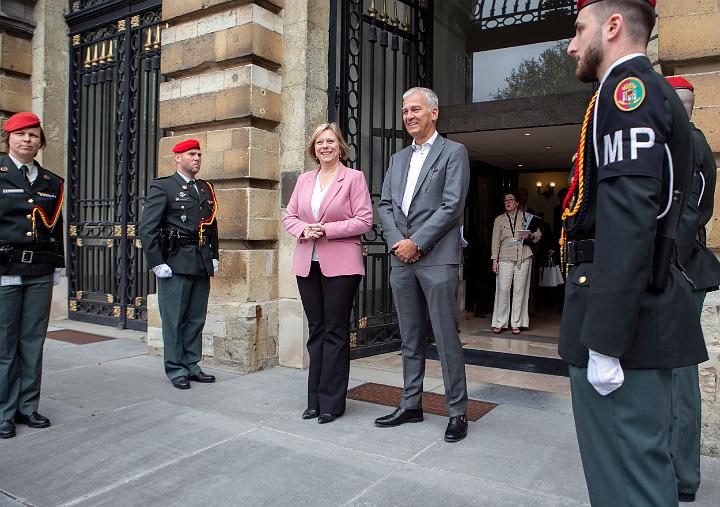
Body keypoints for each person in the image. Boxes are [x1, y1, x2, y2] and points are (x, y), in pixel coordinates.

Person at [559, 1, 708, 504]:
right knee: (639, 475)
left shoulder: (627, 95)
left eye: (580, 30)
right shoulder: (643, 95)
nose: (572, 44)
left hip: (624, 324)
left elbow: (628, 224)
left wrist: (604, 342)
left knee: (627, 484)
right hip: (638, 314)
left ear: (614, 26)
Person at [375, 87, 470, 442]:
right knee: (410, 337)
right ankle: (410, 403)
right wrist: (398, 243)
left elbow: (452, 206)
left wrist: (417, 242)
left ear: (434, 112)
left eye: (415, 109)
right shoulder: (398, 159)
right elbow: (384, 204)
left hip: (438, 259)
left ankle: (457, 411)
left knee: (446, 339)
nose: (409, 116)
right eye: (404, 111)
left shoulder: (454, 152)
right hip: (402, 260)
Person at [283, 123, 372, 424]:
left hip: (342, 265)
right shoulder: (305, 180)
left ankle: (332, 403)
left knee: (335, 331)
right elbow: (289, 216)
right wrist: (304, 229)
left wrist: (327, 229)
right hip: (308, 263)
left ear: (340, 146)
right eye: (320, 142)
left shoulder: (354, 178)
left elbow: (364, 220)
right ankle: (314, 401)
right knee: (316, 330)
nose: (325, 146)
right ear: (313, 148)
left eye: (330, 141)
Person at [667, 75, 720, 503]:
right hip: (679, 270)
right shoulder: (682, 141)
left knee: (681, 382)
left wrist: (666, 265)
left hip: (682, 273)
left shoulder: (690, 145)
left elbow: (690, 217)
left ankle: (684, 476)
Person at [0, 112, 64, 439]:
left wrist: (56, 266)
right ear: (8, 138)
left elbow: (55, 228)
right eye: (20, 133)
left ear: (41, 141)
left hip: (39, 270)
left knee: (32, 340)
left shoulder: (52, 182)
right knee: (5, 344)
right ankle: (4, 411)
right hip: (5, 270)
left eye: (34, 135)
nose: (28, 139)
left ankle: (28, 407)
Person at [139, 139, 219, 390]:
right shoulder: (163, 187)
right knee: (173, 318)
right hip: (174, 262)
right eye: (191, 154)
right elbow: (147, 228)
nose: (196, 158)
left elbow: (212, 225)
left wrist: (214, 255)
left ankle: (192, 364)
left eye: (199, 154)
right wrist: (156, 263)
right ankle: (175, 368)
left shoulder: (205, 188)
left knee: (196, 317)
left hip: (200, 260)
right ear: (177, 158)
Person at [490, 192, 541, 334]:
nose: (508, 202)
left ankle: (516, 323)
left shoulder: (527, 216)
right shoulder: (499, 219)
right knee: (503, 289)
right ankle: (500, 322)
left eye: (511, 200)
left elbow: (538, 235)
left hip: (523, 256)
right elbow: (495, 241)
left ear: (517, 203)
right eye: (506, 200)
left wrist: (530, 235)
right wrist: (494, 260)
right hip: (505, 257)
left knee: (520, 290)